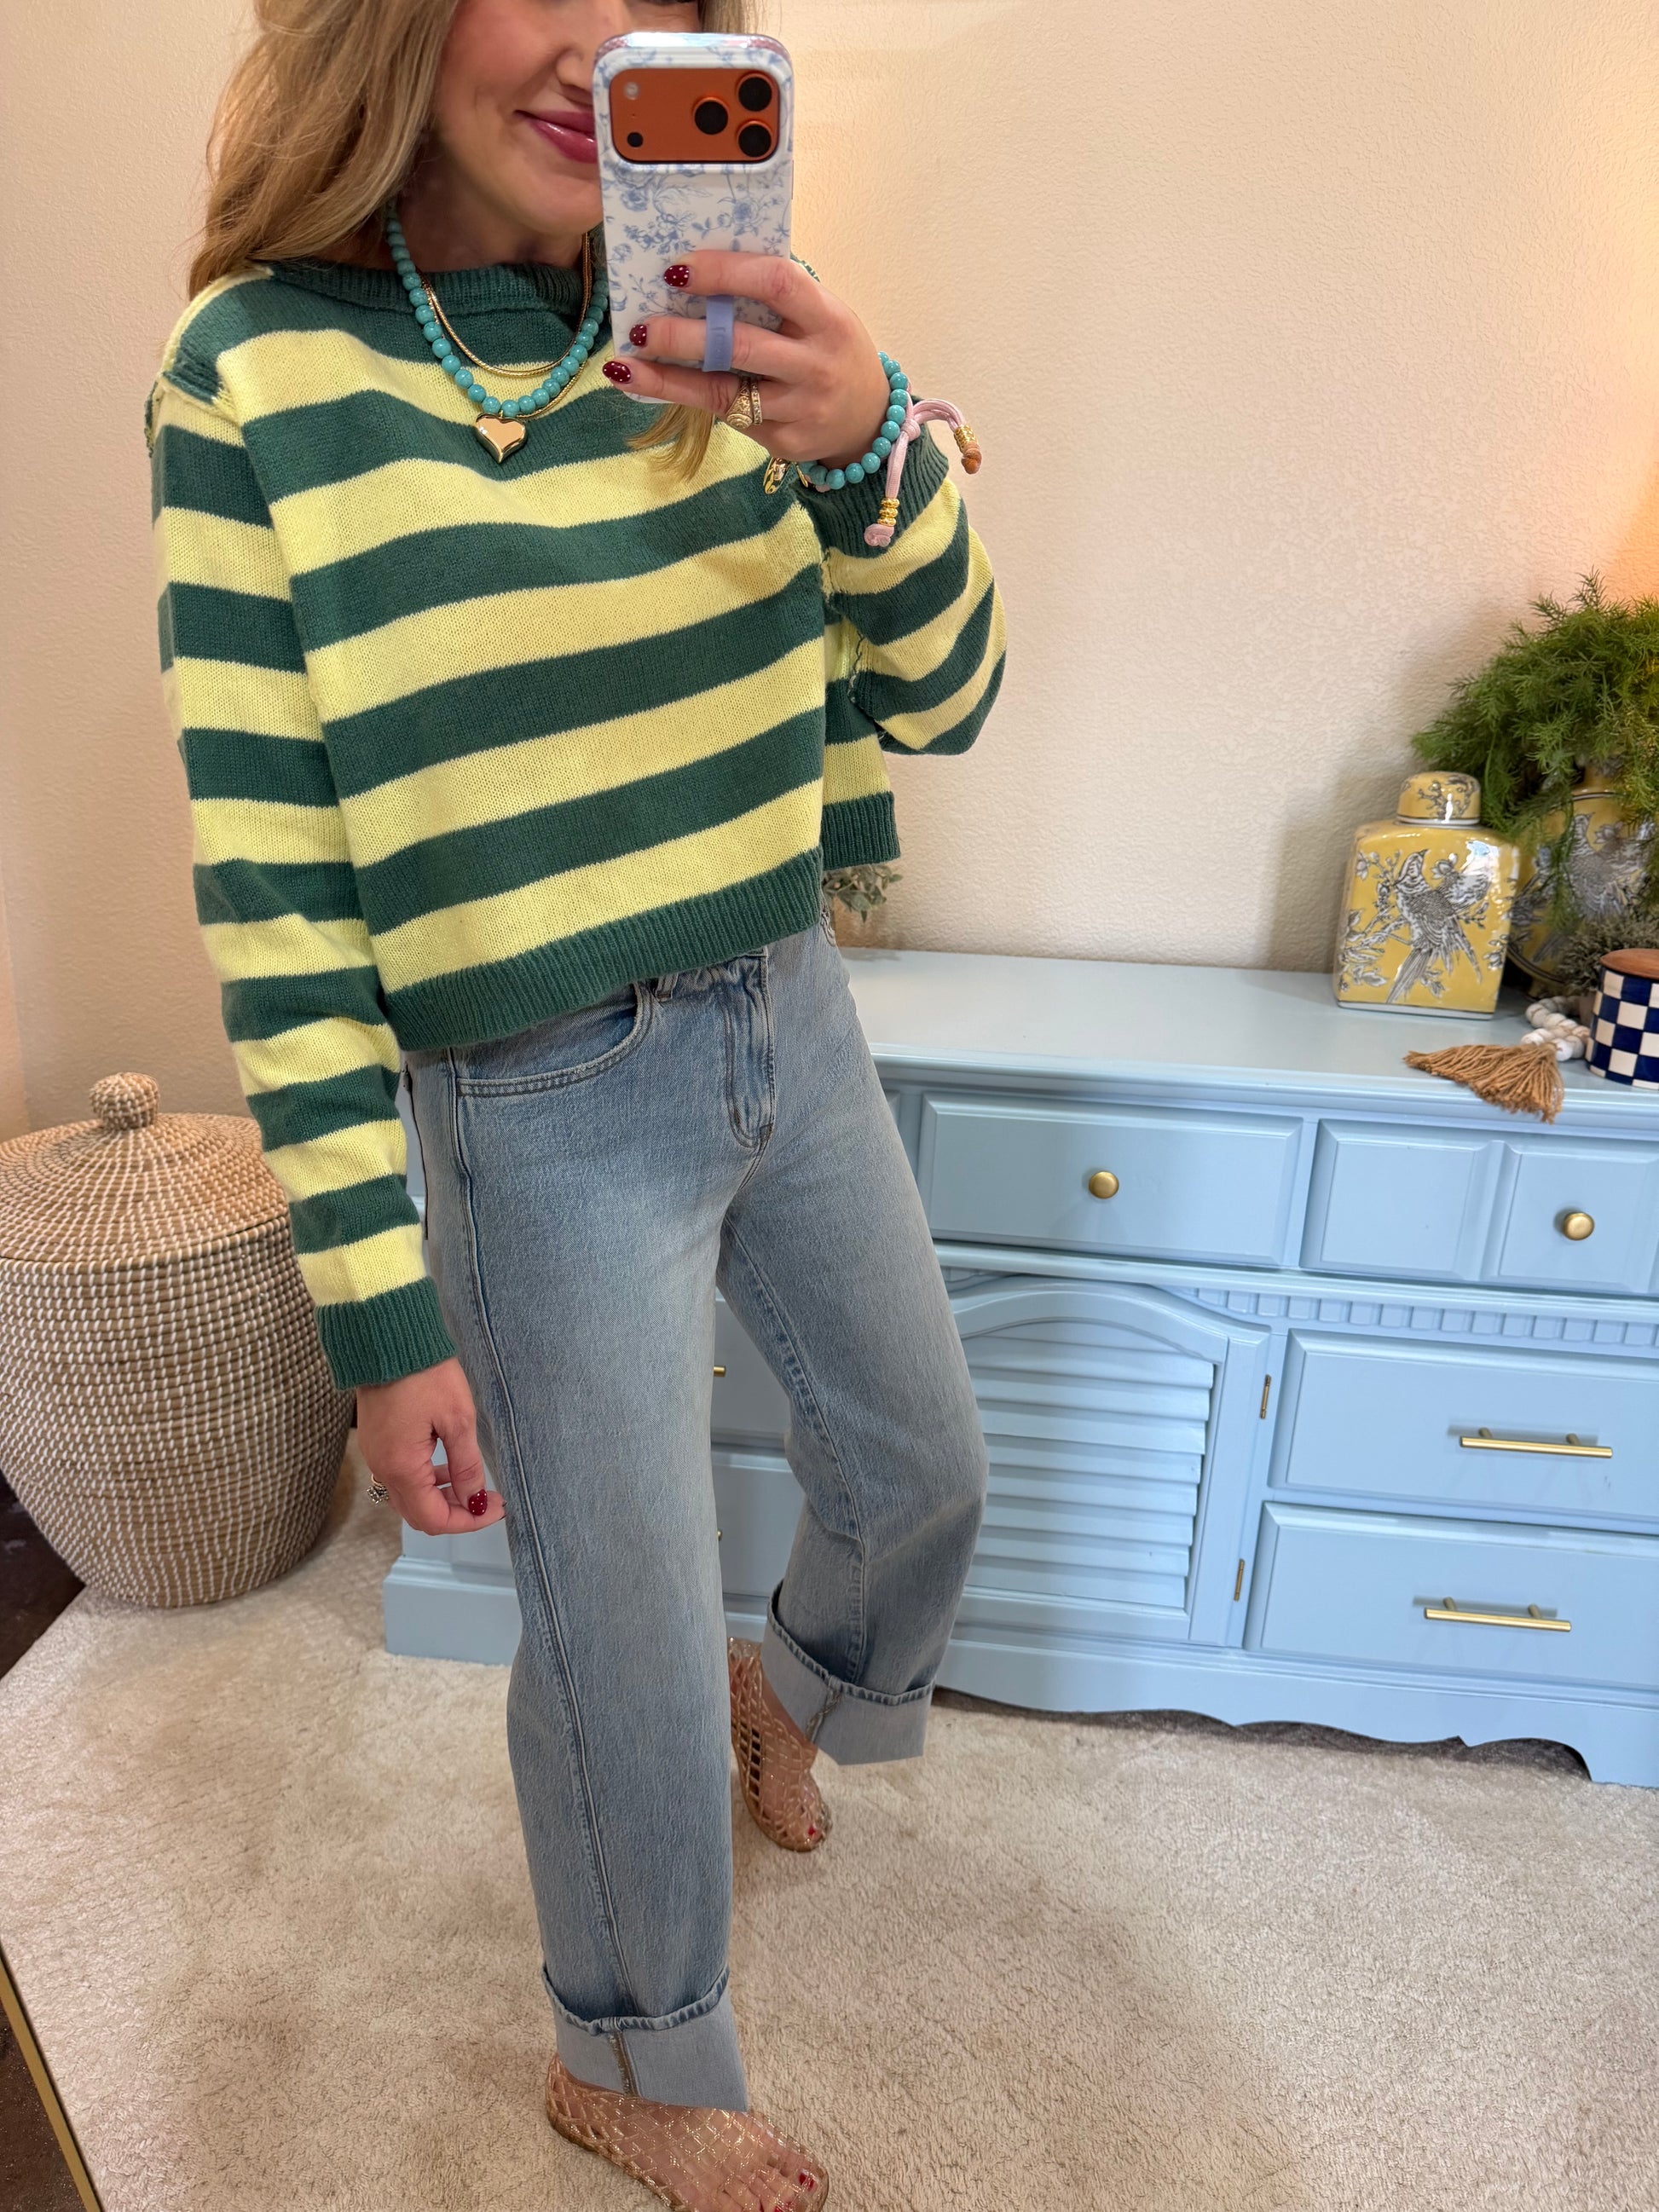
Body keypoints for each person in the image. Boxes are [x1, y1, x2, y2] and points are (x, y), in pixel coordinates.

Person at [147, 0, 1005, 2202]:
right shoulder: (255, 377)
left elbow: (949, 696)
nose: (601, 42)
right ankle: (630, 2050)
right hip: (535, 1107)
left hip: (786, 1004)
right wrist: (378, 1316)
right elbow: (278, 895)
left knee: (921, 1467)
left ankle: (794, 1691)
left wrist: (864, 438)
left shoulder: (727, 318)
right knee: (618, 1641)